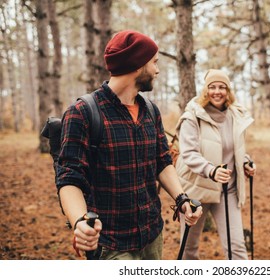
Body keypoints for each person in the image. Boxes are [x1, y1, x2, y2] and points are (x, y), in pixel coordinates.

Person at [56, 30, 202, 260]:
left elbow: (162, 161)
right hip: (110, 243)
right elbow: (69, 177)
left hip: (152, 234)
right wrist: (79, 222)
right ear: (137, 65)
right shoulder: (82, 112)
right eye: (154, 63)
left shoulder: (150, 111)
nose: (157, 69)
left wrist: (181, 198)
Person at [175, 69, 256, 260]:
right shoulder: (192, 117)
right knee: (189, 248)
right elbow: (188, 153)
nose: (217, 91)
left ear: (228, 91)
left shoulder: (235, 115)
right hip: (197, 191)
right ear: (205, 90)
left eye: (222, 87)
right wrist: (211, 171)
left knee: (237, 247)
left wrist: (246, 162)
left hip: (228, 190)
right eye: (212, 87)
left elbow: (233, 150)